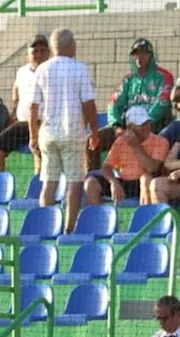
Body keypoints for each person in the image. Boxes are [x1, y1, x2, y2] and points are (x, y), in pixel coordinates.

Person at [30, 28, 98, 234]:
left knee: (48, 183)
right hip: (72, 132)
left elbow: (33, 106)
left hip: (48, 133)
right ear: (71, 46)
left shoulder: (41, 70)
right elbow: (88, 104)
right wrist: (94, 131)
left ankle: (45, 227)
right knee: (74, 182)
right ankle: (69, 228)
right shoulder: (79, 69)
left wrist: (33, 135)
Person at [89, 38, 173, 173]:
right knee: (95, 139)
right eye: (136, 54)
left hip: (154, 125)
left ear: (151, 55)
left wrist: (143, 126)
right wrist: (116, 126)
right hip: (127, 127)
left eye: (144, 53)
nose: (139, 57)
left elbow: (162, 103)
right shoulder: (128, 79)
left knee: (165, 137)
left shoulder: (164, 76)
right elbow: (114, 104)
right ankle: (94, 176)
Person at [0, 35, 51, 175]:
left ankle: (40, 187)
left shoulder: (53, 71)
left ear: (49, 53)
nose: (39, 55)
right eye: (35, 51)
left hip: (45, 123)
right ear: (28, 55)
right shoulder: (22, 72)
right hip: (23, 124)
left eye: (43, 51)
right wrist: (14, 111)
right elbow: (16, 91)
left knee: (41, 148)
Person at [84, 106, 167, 206]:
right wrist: (114, 182)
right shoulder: (120, 142)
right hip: (124, 182)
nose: (146, 127)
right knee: (91, 183)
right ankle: (97, 219)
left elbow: (152, 168)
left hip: (146, 182)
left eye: (147, 123)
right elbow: (106, 167)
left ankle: (146, 217)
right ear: (130, 127)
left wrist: (135, 147)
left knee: (145, 178)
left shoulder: (160, 142)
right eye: (141, 125)